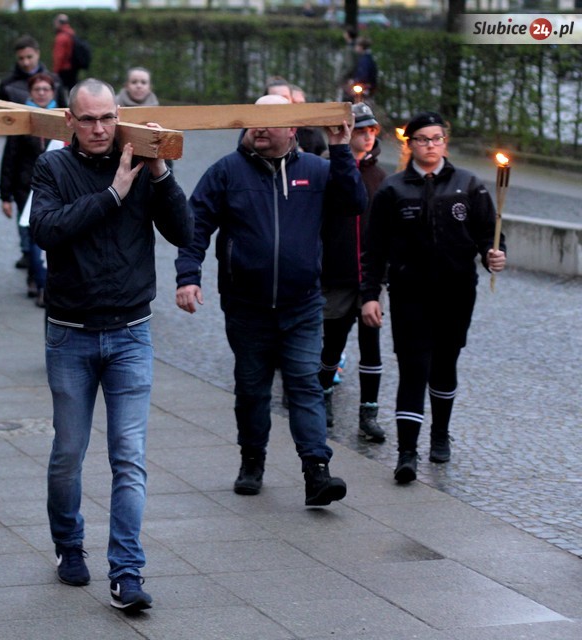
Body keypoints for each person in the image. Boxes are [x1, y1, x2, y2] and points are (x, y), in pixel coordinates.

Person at [29, 78, 192, 611]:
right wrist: (112, 196)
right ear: (70, 120)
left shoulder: (142, 165)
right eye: (88, 119)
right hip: (70, 334)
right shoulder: (53, 166)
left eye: (106, 118)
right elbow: (46, 230)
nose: (99, 129)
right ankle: (68, 544)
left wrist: (160, 173)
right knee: (68, 454)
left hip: (130, 332)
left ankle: (126, 571)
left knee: (129, 457)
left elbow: (184, 231)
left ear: (119, 115)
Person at [175, 94, 365, 506]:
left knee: (305, 385)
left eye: (271, 119)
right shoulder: (227, 171)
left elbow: (354, 202)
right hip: (247, 306)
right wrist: (188, 277)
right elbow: (195, 225)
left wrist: (340, 148)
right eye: (254, 119)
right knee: (252, 388)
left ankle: (317, 471)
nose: (259, 127)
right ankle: (252, 459)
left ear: (293, 127)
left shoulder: (316, 171)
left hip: (303, 304)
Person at [360, 111, 506, 484]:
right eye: (423, 139)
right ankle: (406, 452)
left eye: (436, 138)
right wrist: (370, 294)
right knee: (413, 368)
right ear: (410, 144)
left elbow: (488, 234)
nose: (430, 145)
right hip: (409, 293)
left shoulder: (468, 185)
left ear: (445, 142)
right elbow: (374, 249)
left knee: (444, 364)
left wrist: (494, 254)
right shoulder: (392, 189)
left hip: (456, 293)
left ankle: (440, 434)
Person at [319, 102, 386, 442]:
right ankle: (323, 398)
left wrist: (383, 272)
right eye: (361, 130)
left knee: (371, 346)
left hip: (370, 277)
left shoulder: (380, 177)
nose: (367, 136)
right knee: (332, 343)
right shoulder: (327, 170)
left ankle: (369, 412)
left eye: (371, 130)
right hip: (337, 274)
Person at [0, 35, 66, 271]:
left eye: (29, 57)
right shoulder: (8, 84)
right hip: (24, 171)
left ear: (37, 54)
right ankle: (28, 253)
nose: (26, 62)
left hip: (53, 164)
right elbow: (9, 148)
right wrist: (5, 192)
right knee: (24, 219)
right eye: (21, 58)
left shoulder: (56, 81)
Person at [0, 72, 58, 305]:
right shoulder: (23, 118)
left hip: (55, 187)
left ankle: (45, 279)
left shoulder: (62, 117)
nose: (41, 93)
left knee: (51, 234)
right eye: (37, 90)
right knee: (33, 235)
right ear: (30, 93)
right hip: (26, 187)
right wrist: (5, 195)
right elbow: (10, 158)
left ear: (53, 92)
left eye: (46, 89)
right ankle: (38, 280)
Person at [52, 14, 77, 91]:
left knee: (60, 91)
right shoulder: (71, 33)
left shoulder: (61, 37)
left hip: (63, 68)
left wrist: (55, 71)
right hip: (73, 67)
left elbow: (59, 56)